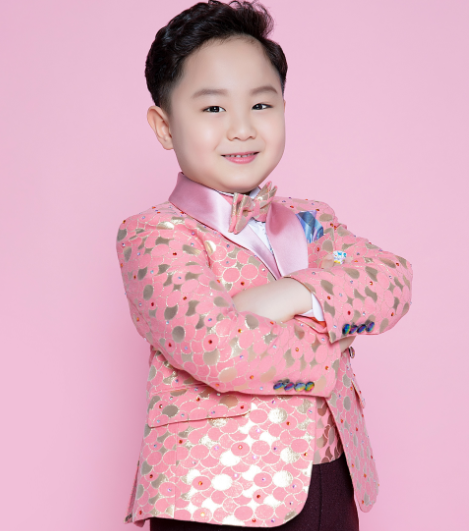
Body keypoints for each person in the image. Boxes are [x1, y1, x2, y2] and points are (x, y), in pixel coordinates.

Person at [116, 1, 413, 529]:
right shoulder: (155, 234)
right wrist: (334, 338)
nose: (241, 128)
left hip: (330, 478)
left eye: (260, 104)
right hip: (211, 494)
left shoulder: (311, 220)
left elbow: (391, 281)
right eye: (213, 108)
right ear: (164, 126)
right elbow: (219, 348)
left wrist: (292, 293)